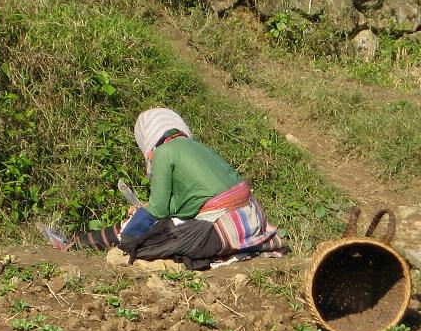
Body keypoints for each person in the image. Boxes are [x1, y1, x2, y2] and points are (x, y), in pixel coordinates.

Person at [36, 108, 286, 269]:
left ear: (147, 139)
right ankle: (75, 244)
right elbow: (191, 202)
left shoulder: (164, 152)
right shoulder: (196, 148)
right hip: (253, 220)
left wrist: (131, 234)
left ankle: (74, 246)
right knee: (152, 226)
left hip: (222, 228)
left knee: (147, 245)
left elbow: (158, 209)